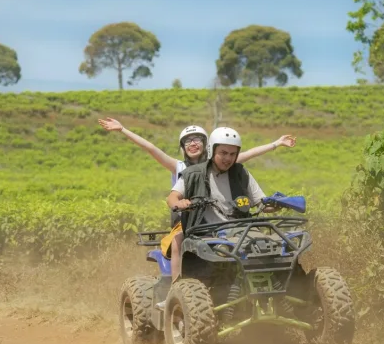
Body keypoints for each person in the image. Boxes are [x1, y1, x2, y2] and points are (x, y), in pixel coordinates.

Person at [165, 127, 274, 282]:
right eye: (223, 153)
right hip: (206, 233)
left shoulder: (241, 173)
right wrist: (179, 203)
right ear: (211, 150)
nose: (228, 158)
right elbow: (172, 197)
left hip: (243, 230)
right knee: (181, 242)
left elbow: (262, 203)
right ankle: (177, 286)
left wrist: (277, 204)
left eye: (232, 154)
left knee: (271, 248)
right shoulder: (193, 174)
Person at [96, 117, 296, 188]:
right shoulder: (178, 167)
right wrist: (123, 130)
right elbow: (150, 148)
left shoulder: (218, 163)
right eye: (188, 141)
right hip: (188, 222)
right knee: (177, 244)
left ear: (207, 144)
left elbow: (250, 153)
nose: (193, 144)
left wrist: (277, 143)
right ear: (182, 147)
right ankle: (177, 274)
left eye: (197, 139)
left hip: (218, 218)